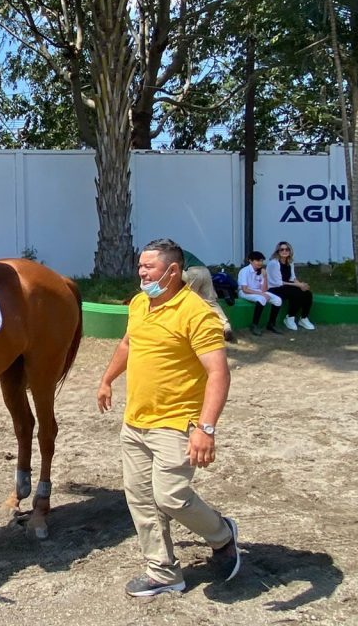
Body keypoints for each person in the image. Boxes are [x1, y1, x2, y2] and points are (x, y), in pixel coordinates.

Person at [96, 238, 240, 597]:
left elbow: (219, 373)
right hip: (135, 422)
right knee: (141, 499)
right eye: (140, 267)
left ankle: (222, 534)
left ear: (173, 271)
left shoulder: (196, 312)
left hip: (177, 423)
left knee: (172, 496)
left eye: (149, 268)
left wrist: (206, 428)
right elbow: (129, 343)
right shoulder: (140, 304)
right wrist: (106, 379)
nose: (142, 273)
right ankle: (163, 572)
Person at [181, 250, 235, 343]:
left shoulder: (169, 254)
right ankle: (226, 326)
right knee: (211, 302)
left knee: (185, 300)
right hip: (205, 271)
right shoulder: (184, 252)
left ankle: (187, 330)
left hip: (191, 272)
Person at [266, 242, 315, 331]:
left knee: (307, 293)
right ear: (278, 251)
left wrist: (301, 285)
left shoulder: (290, 262)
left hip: (286, 286)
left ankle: (304, 318)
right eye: (282, 249)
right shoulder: (274, 263)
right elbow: (278, 282)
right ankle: (290, 317)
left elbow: (292, 278)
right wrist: (298, 285)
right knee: (296, 293)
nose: (284, 251)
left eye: (287, 249)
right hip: (274, 288)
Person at [237, 251, 282, 336]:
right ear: (250, 261)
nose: (260, 263)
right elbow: (245, 289)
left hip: (257, 291)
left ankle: (271, 324)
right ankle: (254, 325)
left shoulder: (261, 271)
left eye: (261, 261)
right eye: (257, 261)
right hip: (244, 292)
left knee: (278, 300)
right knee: (262, 298)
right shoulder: (244, 271)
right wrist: (261, 294)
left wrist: (265, 276)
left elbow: (264, 289)